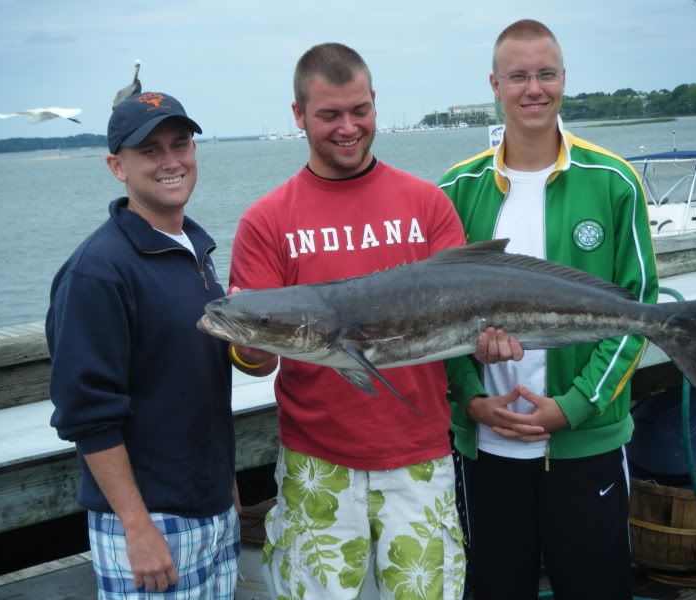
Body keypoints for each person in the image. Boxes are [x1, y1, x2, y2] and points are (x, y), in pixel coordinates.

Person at [227, 42, 470, 599]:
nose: (348, 127)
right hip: (317, 460)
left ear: (375, 103)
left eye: (359, 110)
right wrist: (251, 346)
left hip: (421, 456)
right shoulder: (266, 221)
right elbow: (255, 361)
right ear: (298, 116)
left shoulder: (428, 204)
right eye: (329, 114)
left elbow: (466, 323)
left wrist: (493, 343)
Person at [438, 19, 659, 600]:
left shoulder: (613, 182)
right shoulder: (454, 191)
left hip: (586, 443)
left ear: (564, 79)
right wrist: (473, 399)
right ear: (494, 84)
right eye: (518, 76)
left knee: (596, 588)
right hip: (486, 448)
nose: (533, 89)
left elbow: (637, 310)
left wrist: (574, 406)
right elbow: (432, 320)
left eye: (546, 74)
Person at [46, 91, 241, 599]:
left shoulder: (196, 249)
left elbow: (197, 381)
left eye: (180, 144)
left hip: (213, 510)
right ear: (117, 166)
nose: (171, 161)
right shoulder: (98, 271)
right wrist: (136, 526)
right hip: (150, 526)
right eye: (150, 150)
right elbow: (86, 413)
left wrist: (225, 485)